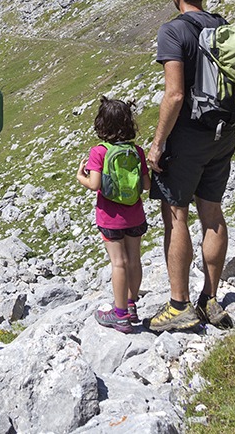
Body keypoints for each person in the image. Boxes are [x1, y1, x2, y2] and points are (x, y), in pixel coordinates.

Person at [146, 0, 235, 332]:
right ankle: (210, 300)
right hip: (223, 133)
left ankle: (179, 305)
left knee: (176, 215)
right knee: (212, 213)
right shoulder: (223, 26)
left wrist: (158, 144)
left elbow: (175, 94)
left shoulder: (174, 31)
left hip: (188, 137)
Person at [77, 96, 151, 333]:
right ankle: (131, 305)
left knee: (119, 263)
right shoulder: (136, 151)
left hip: (110, 218)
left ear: (102, 124)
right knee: (134, 259)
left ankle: (119, 315)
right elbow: (146, 185)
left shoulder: (99, 151)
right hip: (135, 215)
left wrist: (80, 176)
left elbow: (94, 184)